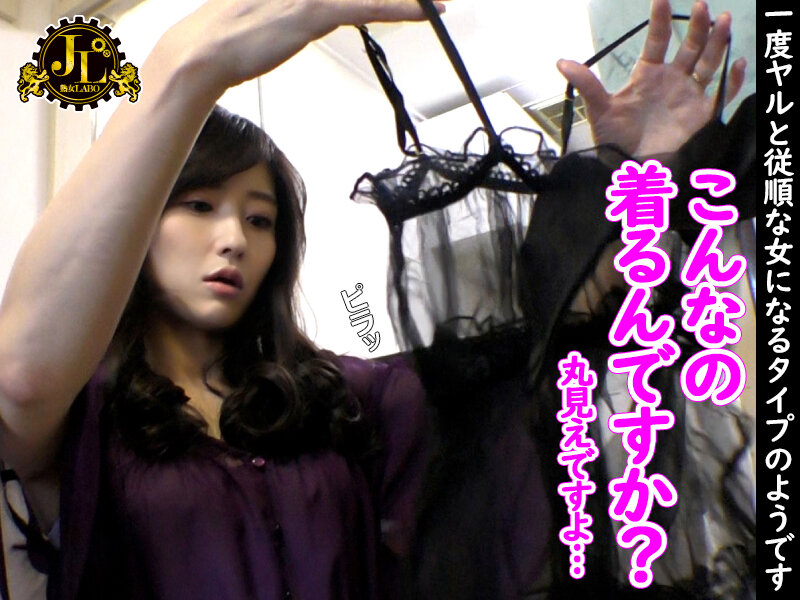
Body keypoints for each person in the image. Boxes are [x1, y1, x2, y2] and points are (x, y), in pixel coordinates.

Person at [0, 0, 746, 598]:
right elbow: (20, 376)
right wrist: (189, 65)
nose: (232, 240)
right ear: (141, 223)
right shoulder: (84, 415)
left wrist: (643, 183)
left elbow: (543, 351)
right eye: (199, 206)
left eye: (259, 219)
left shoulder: (340, 398)